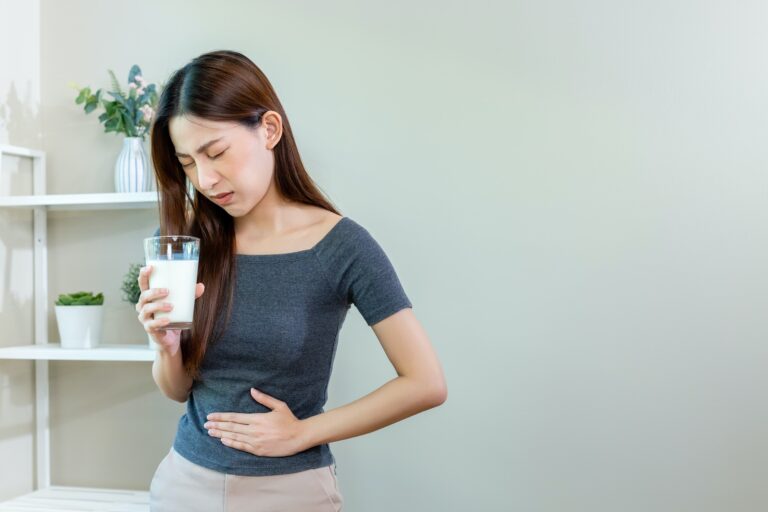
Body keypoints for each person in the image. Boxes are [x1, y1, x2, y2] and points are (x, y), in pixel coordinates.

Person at [135, 50, 447, 512]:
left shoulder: (342, 246)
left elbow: (426, 382)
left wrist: (303, 431)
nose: (205, 179)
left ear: (270, 130)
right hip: (183, 484)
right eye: (187, 164)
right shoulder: (188, 244)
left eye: (216, 152)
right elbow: (178, 389)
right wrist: (166, 345)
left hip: (289, 493)